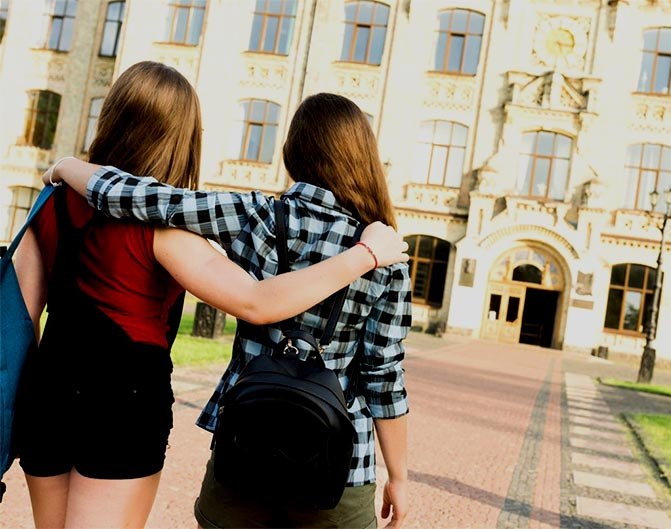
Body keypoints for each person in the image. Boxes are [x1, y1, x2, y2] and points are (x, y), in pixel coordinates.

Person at [15, 64, 408, 529]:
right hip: (136, 403)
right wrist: (399, 476)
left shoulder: (53, 205)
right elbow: (377, 371)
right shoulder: (386, 253)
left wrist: (64, 166)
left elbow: (23, 321)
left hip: (64, 395)